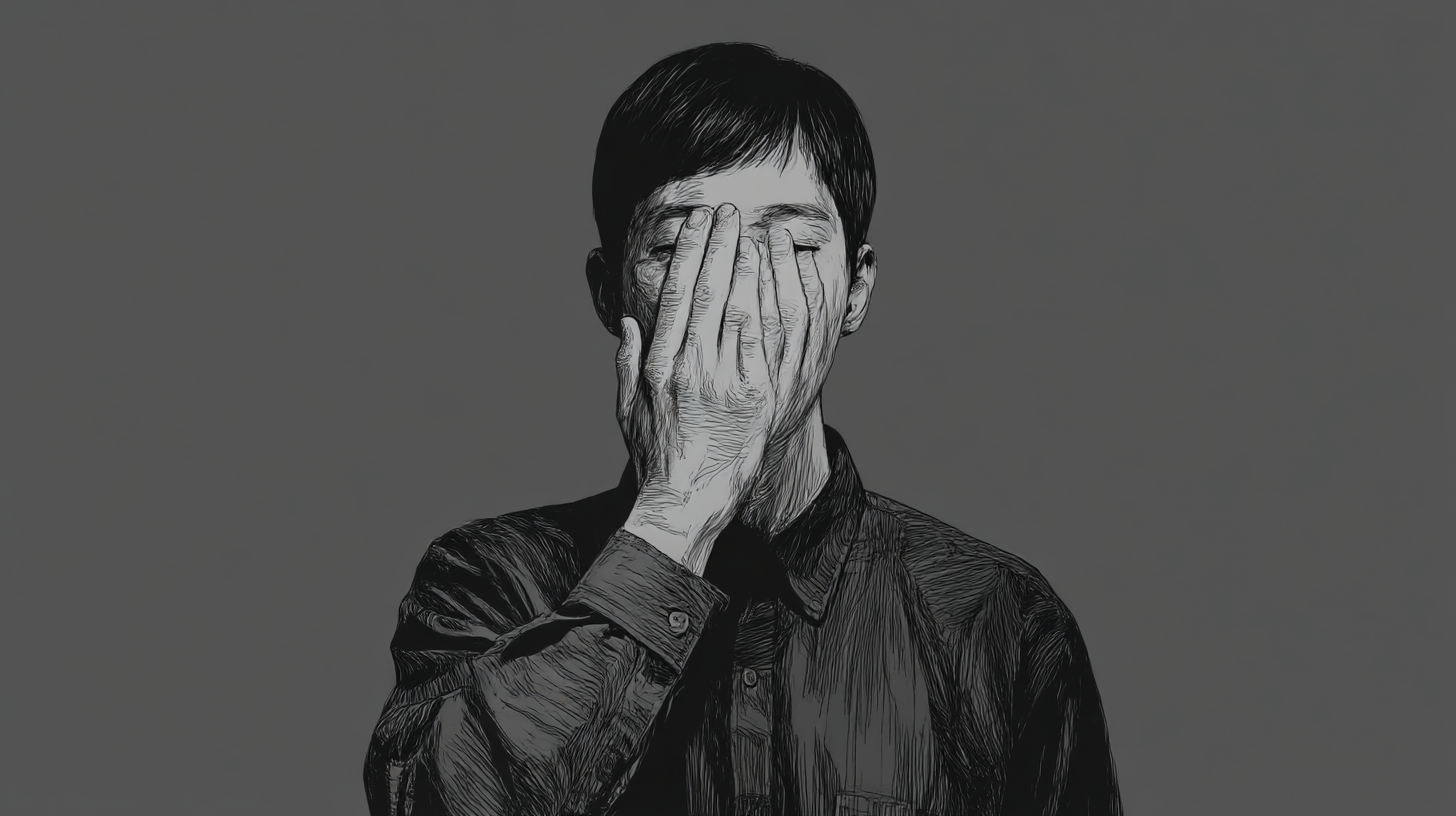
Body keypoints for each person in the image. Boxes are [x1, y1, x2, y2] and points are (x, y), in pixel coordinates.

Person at [364, 42, 1121, 816]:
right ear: (608, 291)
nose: (736, 295)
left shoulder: (998, 619)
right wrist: (676, 515)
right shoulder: (490, 581)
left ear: (855, 290)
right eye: (679, 248)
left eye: (792, 245)